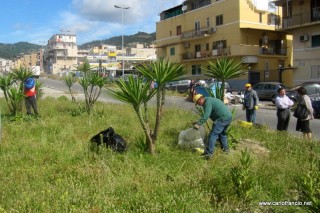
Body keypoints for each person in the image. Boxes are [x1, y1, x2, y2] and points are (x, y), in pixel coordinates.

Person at [193, 94, 232, 160]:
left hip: (222, 118)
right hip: (228, 117)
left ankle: (208, 155)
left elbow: (206, 115)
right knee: (222, 134)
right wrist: (198, 122)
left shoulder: (207, 102)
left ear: (200, 99)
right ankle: (226, 151)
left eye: (197, 103)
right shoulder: (209, 100)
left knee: (212, 135)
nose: (198, 105)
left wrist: (198, 124)